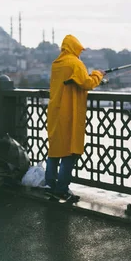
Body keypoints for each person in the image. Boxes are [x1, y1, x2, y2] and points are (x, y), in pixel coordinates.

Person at [45, 35, 104, 201]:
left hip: (55, 111)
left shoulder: (56, 64)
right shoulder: (75, 63)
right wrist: (98, 75)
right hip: (69, 113)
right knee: (70, 152)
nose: (80, 54)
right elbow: (87, 83)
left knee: (55, 150)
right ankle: (62, 189)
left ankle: (49, 185)